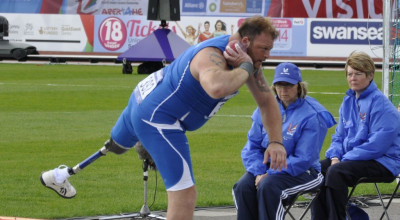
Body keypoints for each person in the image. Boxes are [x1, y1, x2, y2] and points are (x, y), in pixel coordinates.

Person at [41, 16, 287, 220]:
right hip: (159, 118)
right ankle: (137, 142)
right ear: (245, 41)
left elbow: (267, 102)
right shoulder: (214, 56)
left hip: (142, 99)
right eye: (263, 49)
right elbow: (216, 88)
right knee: (185, 195)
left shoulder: (247, 59)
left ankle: (60, 175)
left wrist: (275, 141)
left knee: (115, 146)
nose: (266, 55)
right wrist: (244, 68)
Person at [233, 62, 336, 220]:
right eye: (279, 85)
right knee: (242, 187)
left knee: (268, 187)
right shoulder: (265, 108)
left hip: (305, 172)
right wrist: (260, 171)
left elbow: (304, 158)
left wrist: (270, 173)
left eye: (288, 85)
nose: (283, 90)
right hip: (267, 169)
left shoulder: (312, 114)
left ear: (299, 86)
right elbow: (251, 148)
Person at [311, 51, 400, 220]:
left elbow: (376, 146)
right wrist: (335, 155)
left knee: (336, 172)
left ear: (370, 75)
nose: (353, 78)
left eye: (358, 74)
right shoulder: (348, 102)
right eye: (350, 74)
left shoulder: (381, 105)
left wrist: (343, 159)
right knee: (318, 170)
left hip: (384, 162)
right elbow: (338, 136)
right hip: (351, 159)